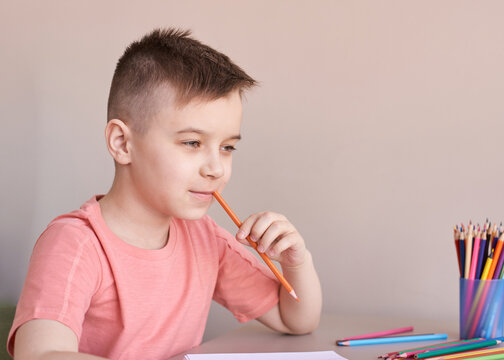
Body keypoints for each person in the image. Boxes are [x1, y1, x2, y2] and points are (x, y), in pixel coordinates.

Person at [8, 28, 322, 360]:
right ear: (122, 143)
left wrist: (297, 261)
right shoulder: (75, 244)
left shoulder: (204, 240)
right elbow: (41, 354)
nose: (216, 168)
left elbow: (296, 319)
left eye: (228, 147)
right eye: (192, 143)